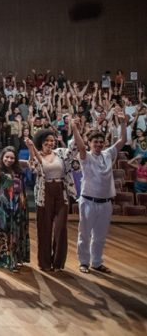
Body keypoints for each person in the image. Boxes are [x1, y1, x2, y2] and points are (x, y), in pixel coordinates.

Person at [72, 113, 126, 274]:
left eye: (101, 142)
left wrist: (123, 123)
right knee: (85, 234)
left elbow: (122, 141)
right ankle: (83, 262)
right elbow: (80, 147)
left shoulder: (108, 154)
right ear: (90, 143)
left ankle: (96, 262)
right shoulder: (86, 156)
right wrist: (74, 128)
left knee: (100, 236)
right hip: (88, 201)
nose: (99, 144)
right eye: (95, 142)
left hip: (105, 202)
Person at [27, 128, 77, 272]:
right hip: (44, 192)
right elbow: (34, 166)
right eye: (47, 141)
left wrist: (76, 128)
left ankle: (58, 263)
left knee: (61, 228)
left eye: (52, 140)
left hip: (60, 190)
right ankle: (44, 263)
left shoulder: (60, 153)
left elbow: (74, 148)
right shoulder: (37, 155)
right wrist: (31, 148)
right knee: (44, 228)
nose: (50, 143)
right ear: (41, 143)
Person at [0, 146, 30, 272]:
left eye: (12, 157)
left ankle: (15, 259)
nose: (9, 159)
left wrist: (31, 148)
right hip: (3, 204)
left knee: (16, 232)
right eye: (7, 157)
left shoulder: (19, 168)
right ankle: (3, 259)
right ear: (2, 157)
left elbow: (32, 163)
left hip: (19, 204)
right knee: (2, 231)